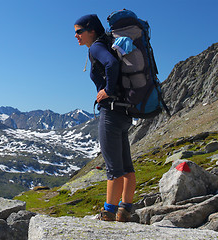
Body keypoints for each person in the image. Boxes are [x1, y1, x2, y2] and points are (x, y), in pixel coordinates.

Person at [74, 14, 136, 222]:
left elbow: (111, 64)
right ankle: (125, 210)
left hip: (110, 112)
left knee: (113, 169)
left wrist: (107, 90)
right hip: (125, 112)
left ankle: (108, 213)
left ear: (92, 30)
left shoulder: (96, 47)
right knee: (127, 166)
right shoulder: (110, 44)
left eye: (79, 31)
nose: (76, 36)